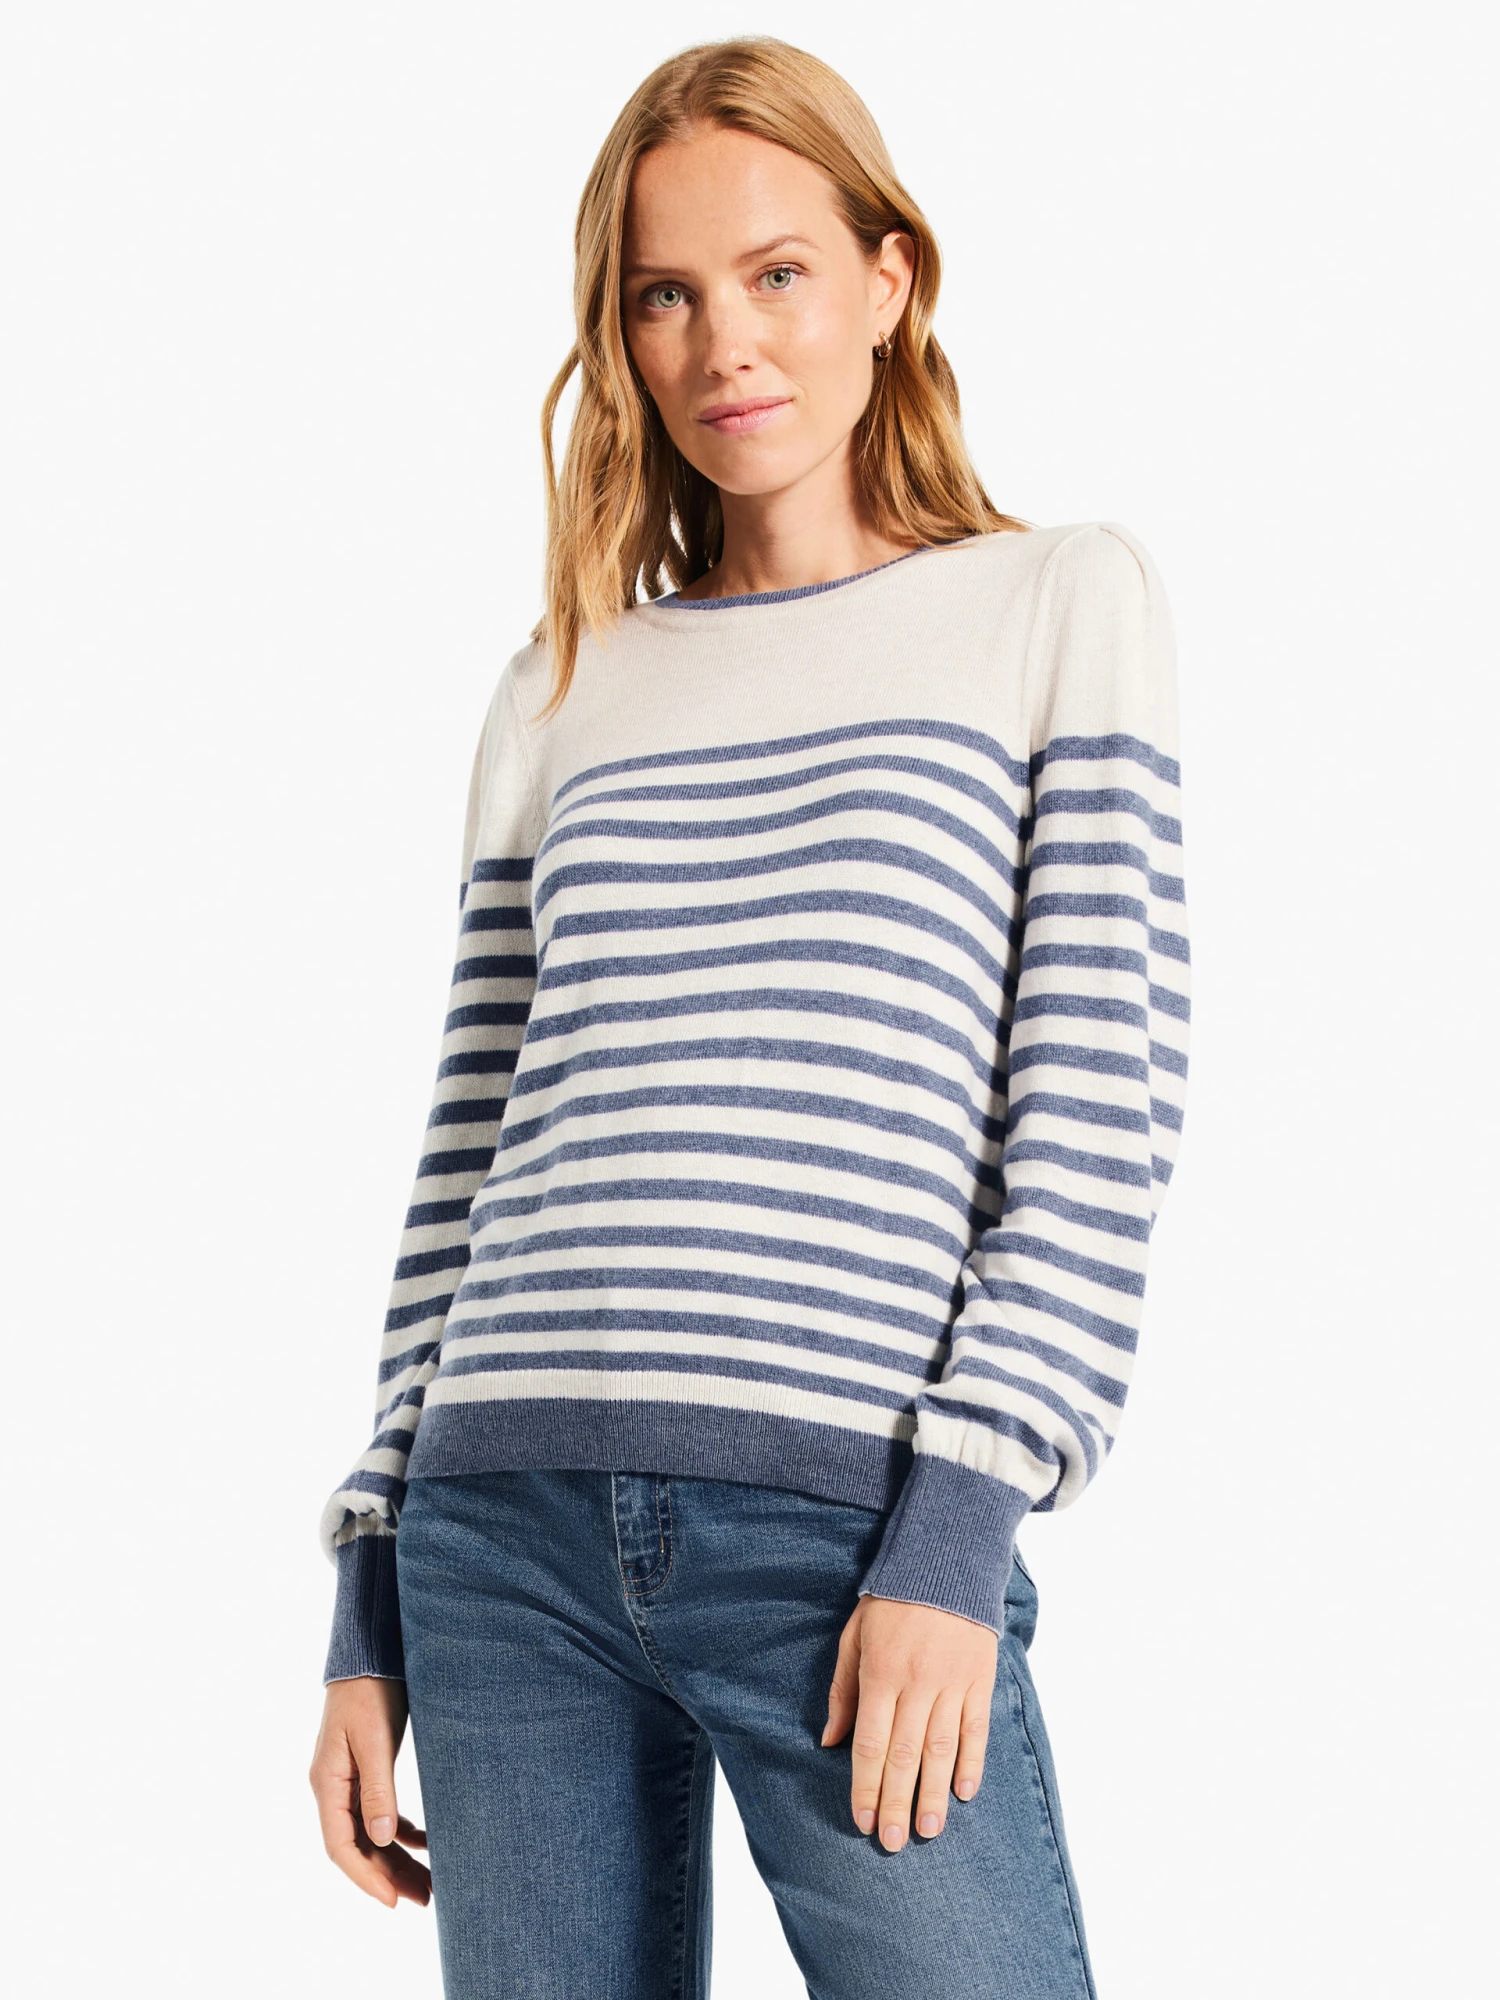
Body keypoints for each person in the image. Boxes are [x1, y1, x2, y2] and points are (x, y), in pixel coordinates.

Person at [308, 34, 1190, 1999]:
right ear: (618, 335)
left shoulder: (1057, 606)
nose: (725, 344)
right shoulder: (560, 683)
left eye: (777, 272)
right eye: (665, 295)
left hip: (848, 1528)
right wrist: (368, 1584)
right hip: (498, 1528)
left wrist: (957, 1533)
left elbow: (1094, 1117)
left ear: (890, 279)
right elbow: (470, 1152)